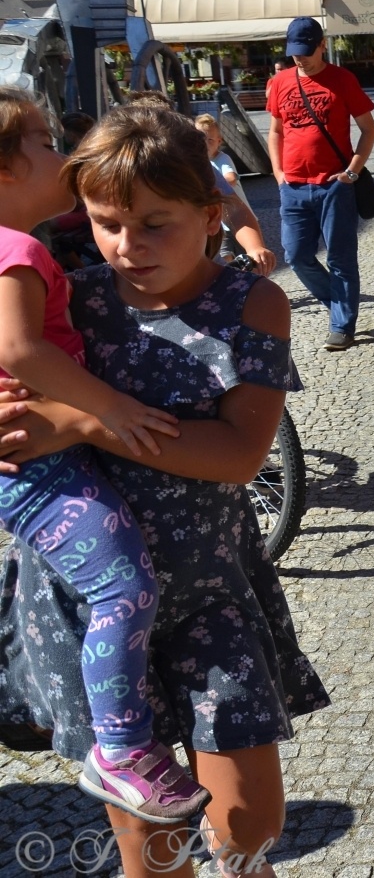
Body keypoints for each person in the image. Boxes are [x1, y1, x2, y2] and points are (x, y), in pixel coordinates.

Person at [0, 104, 329, 878]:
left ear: (211, 216)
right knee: (151, 841)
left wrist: (83, 423)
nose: (128, 246)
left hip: (211, 589)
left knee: (251, 822)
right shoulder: (70, 297)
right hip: (95, 606)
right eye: (107, 223)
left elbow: (239, 455)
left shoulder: (251, 305)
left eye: (156, 223)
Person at [0, 90, 210, 822]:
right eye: (44, 142)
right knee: (121, 588)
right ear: (3, 171)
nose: (61, 157)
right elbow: (21, 351)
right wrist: (105, 408)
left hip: (35, 459)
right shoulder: (19, 249)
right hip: (39, 463)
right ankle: (120, 750)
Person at [267, 16, 374, 352]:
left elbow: (369, 130)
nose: (300, 58)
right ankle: (341, 305)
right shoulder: (281, 82)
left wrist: (352, 172)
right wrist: (279, 174)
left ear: (322, 45)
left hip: (335, 185)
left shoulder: (342, 80)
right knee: (296, 255)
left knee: (341, 258)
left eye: (306, 51)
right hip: (294, 187)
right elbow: (275, 131)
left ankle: (342, 326)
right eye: (294, 52)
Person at [194, 114, 276, 274]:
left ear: (219, 141)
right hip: (219, 226)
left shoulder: (221, 160)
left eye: (209, 140)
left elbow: (230, 177)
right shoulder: (198, 162)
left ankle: (242, 279)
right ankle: (229, 275)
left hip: (233, 218)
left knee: (248, 259)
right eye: (201, 139)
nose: (205, 144)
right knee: (224, 255)